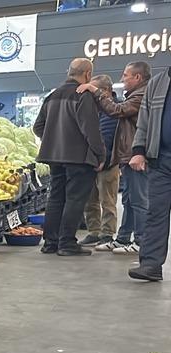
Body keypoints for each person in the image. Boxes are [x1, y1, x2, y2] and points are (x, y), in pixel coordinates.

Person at [33, 58, 106, 256]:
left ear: (69, 72)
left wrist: (54, 140)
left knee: (55, 198)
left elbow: (38, 127)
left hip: (54, 157)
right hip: (79, 158)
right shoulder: (83, 95)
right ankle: (67, 243)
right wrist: (100, 154)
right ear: (88, 74)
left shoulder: (52, 96)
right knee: (75, 199)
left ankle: (50, 243)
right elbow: (90, 129)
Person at [80, 62, 151, 254]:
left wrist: (95, 91)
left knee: (137, 200)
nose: (123, 79)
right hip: (127, 157)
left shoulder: (141, 96)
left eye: (126, 75)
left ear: (137, 77)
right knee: (128, 199)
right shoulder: (135, 96)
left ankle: (141, 241)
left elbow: (117, 112)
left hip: (134, 156)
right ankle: (122, 238)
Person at [126, 64, 171, 281]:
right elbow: (143, 122)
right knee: (155, 213)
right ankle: (151, 265)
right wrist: (138, 151)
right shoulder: (157, 83)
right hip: (161, 160)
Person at [77, 74, 119, 247]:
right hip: (91, 163)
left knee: (107, 200)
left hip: (107, 164)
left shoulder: (114, 110)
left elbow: (109, 138)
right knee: (90, 200)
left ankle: (107, 234)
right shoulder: (95, 109)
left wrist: (104, 160)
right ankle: (94, 231)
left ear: (106, 91)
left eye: (93, 89)